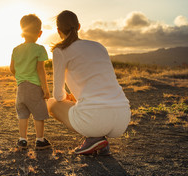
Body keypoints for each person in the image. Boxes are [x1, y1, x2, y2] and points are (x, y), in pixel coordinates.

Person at [47, 10, 131, 155]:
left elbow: (58, 96)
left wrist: (67, 96)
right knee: (82, 103)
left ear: (58, 31)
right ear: (79, 26)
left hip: (94, 118)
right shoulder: (99, 46)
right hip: (122, 117)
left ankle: (94, 138)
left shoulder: (60, 50)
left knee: (51, 103)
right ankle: (99, 141)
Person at [10, 14, 52, 150]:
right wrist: (45, 90)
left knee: (23, 114)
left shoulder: (16, 50)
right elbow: (40, 70)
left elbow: (12, 68)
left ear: (22, 31)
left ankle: (22, 140)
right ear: (40, 33)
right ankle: (40, 140)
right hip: (34, 87)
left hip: (20, 87)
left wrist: (21, 75)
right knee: (38, 114)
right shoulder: (39, 49)